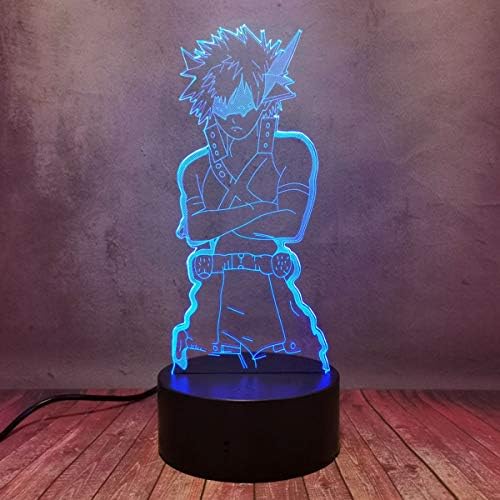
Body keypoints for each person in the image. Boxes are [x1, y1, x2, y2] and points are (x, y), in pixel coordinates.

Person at [172, 25, 330, 373]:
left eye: (245, 108)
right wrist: (263, 208)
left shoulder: (292, 150)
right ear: (210, 105)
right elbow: (196, 231)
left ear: (265, 98)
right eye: (225, 110)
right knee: (204, 378)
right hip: (214, 296)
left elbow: (290, 224)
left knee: (295, 376)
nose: (236, 120)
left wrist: (219, 218)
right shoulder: (196, 168)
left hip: (273, 291)